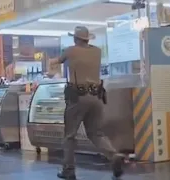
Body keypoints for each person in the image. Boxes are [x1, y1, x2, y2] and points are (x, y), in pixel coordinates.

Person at [50, 26, 124, 180]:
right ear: (88, 39)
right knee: (96, 133)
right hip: (96, 97)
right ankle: (114, 155)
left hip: (78, 97)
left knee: (70, 136)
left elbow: (55, 62)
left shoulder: (70, 50)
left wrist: (51, 65)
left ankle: (68, 170)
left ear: (75, 39)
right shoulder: (97, 52)